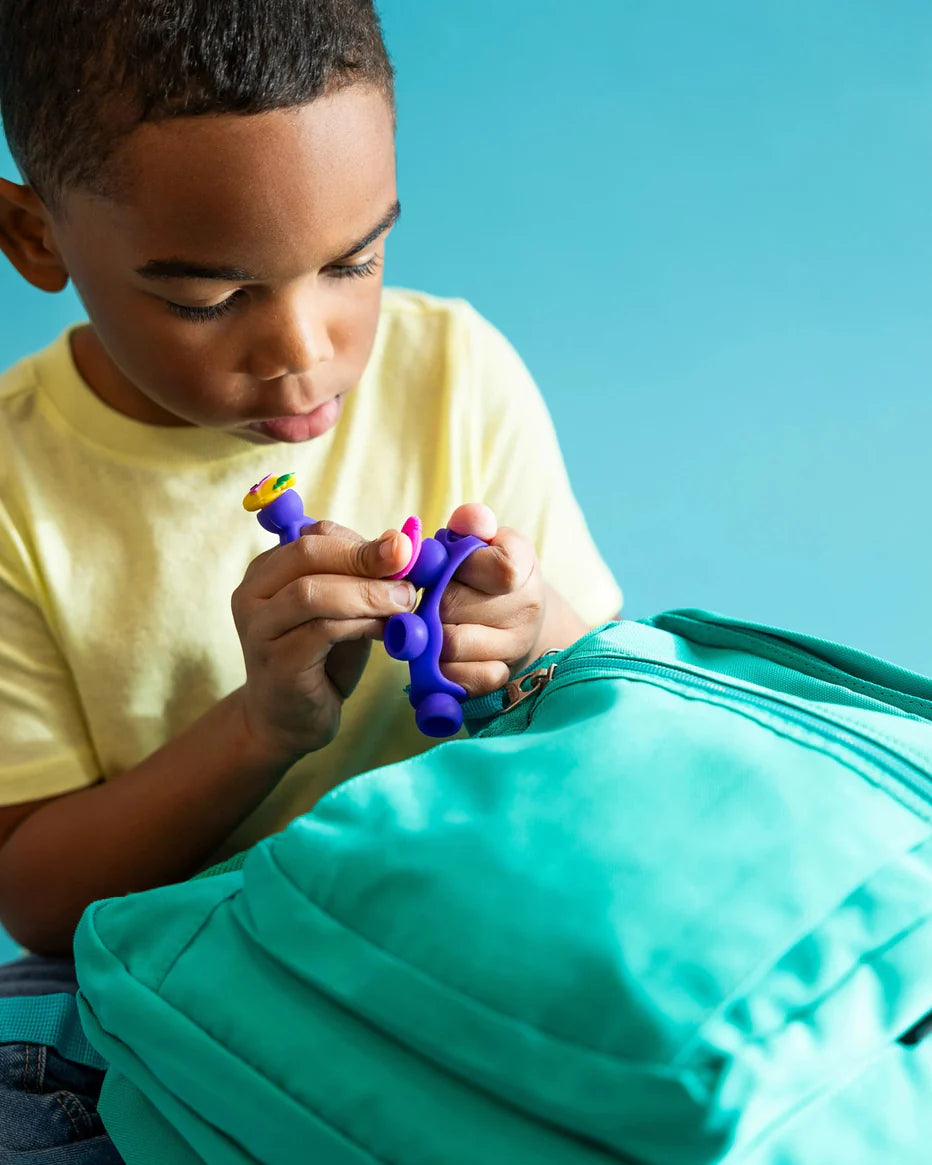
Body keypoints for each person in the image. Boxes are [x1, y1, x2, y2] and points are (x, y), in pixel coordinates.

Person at [0, 1, 621, 1157]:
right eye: (206, 298)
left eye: (355, 261)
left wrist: (524, 632)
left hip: (456, 928)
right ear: (37, 239)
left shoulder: (456, 370)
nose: (300, 346)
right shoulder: (12, 486)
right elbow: (35, 897)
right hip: (178, 967)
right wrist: (260, 727)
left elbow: (600, 705)